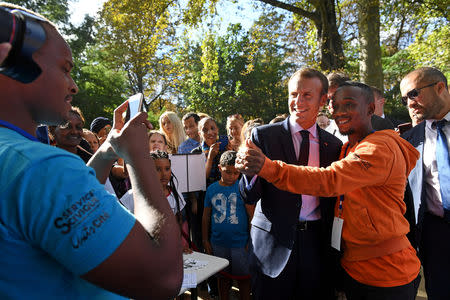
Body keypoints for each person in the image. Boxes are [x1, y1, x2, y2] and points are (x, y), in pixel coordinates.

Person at [0, 4, 182, 299]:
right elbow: (164, 277)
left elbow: (52, 203)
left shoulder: (17, 160)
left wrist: (110, 149)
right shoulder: (41, 167)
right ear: (13, 63)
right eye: (65, 69)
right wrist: (137, 156)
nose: (73, 87)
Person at [237, 81, 421, 299]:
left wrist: (267, 167)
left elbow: (329, 180)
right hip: (353, 267)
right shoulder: (348, 148)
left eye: (349, 105)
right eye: (336, 105)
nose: (340, 112)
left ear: (370, 109)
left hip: (387, 271)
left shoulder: (378, 148)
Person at [239, 68, 342, 300]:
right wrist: (251, 171)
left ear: (323, 100)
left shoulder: (334, 146)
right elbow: (248, 195)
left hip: (316, 246)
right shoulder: (263, 136)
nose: (298, 101)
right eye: (293, 94)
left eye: (307, 95)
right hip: (272, 245)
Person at [400, 67, 450, 299]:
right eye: (404, 99)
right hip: (435, 235)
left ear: (440, 88)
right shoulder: (408, 141)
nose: (409, 103)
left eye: (413, 94)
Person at [202, 150, 251, 300]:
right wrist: (205, 240)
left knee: (243, 279)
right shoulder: (211, 189)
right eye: (227, 172)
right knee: (222, 278)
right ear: (219, 169)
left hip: (240, 244)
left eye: (236, 173)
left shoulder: (244, 188)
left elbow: (251, 216)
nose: (232, 176)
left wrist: (251, 241)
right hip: (218, 243)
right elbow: (206, 217)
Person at [150, 150, 192, 253]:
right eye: (158, 169)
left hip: (170, 250)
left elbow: (181, 223)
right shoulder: (135, 195)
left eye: (167, 169)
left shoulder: (175, 193)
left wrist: (182, 244)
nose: (163, 174)